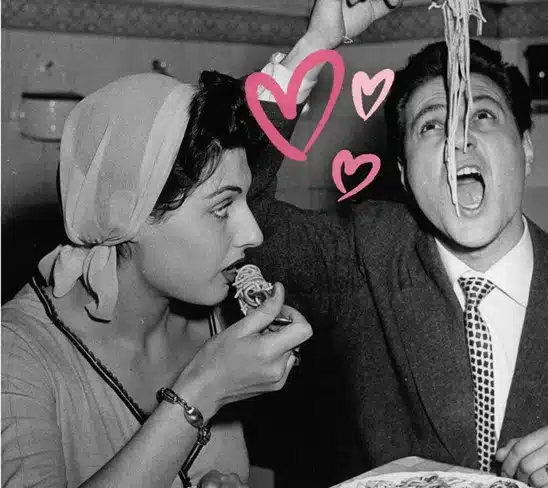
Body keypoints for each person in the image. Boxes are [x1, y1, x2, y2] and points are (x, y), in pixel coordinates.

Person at [0, 2, 402, 486]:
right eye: (221, 208)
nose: (253, 233)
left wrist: (315, 45)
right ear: (130, 215)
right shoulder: (16, 356)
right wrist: (202, 391)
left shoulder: (212, 314)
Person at [243, 39, 548, 488]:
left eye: (482, 115)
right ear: (404, 175)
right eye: (430, 127)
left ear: (526, 150)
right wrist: (316, 42)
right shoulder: (363, 252)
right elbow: (237, 208)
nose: (456, 141)